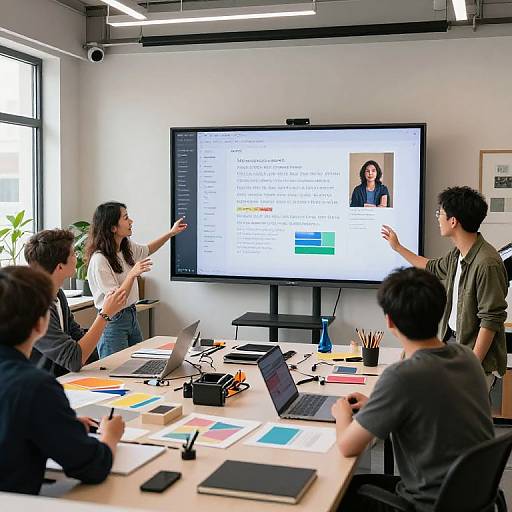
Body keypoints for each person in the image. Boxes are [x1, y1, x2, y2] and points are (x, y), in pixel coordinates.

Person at [332, 267, 494, 512]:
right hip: (472, 497)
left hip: (428, 504)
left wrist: (342, 414)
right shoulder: (467, 357)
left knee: (339, 491)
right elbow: (433, 402)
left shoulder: (401, 377)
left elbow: (347, 446)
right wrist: (377, 407)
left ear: (389, 321)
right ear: (441, 311)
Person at [0, 266, 125, 495]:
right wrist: (111, 435)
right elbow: (93, 467)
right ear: (41, 325)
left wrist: (60, 421)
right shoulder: (35, 386)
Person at [381, 186, 508, 388]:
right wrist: (398, 247)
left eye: (440, 213)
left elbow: (490, 320)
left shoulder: (487, 263)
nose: (438, 218)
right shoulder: (457, 254)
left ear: (453, 221)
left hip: (475, 358)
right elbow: (429, 266)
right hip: (452, 344)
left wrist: (471, 366)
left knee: (463, 418)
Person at [86, 201, 187, 358]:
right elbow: (116, 300)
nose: (131, 221)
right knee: (116, 372)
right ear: (113, 227)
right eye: (126, 218)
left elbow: (147, 249)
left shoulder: (126, 246)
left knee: (138, 364)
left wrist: (171, 233)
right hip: (113, 321)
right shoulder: (99, 260)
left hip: (131, 315)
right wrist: (132, 275)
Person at [24, 229, 127, 377]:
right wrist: (105, 314)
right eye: (73, 254)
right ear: (60, 266)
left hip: (66, 381)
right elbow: (74, 359)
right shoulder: (35, 307)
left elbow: (77, 338)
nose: (76, 257)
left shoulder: (58, 293)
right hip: (40, 389)